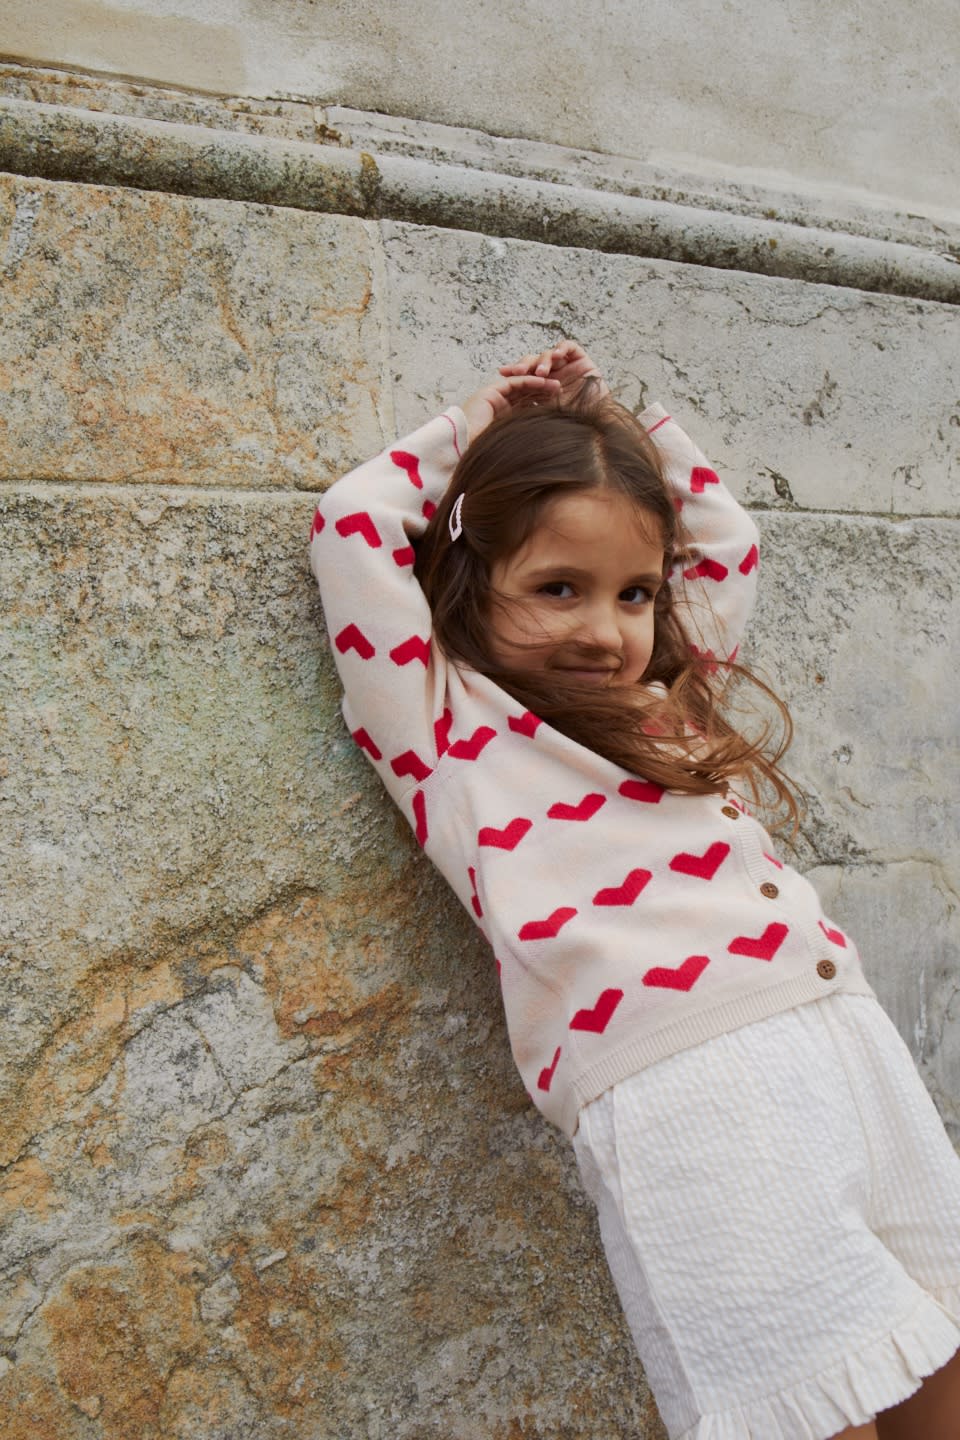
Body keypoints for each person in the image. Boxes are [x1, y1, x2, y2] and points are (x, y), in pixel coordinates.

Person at [309, 340, 960, 1439]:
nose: (605, 630)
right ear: (475, 580)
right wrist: (472, 430)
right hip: (687, 1088)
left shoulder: (667, 694)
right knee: (817, 1390)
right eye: (557, 588)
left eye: (632, 595)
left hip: (837, 1035)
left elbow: (725, 543)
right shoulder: (443, 730)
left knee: (938, 1329)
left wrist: (622, 422)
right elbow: (352, 527)